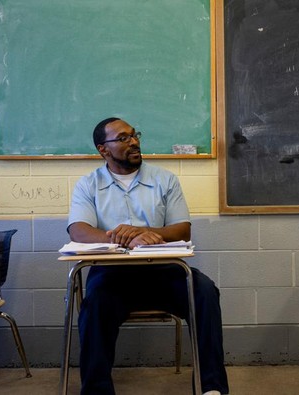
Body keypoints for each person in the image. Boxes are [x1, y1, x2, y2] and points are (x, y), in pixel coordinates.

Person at [67, 117, 229, 395]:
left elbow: (182, 229)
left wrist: (145, 232)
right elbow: (79, 230)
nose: (133, 142)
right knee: (93, 306)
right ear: (103, 150)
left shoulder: (165, 179)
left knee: (204, 291)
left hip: (163, 272)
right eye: (122, 138)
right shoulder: (88, 185)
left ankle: (210, 388)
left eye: (134, 135)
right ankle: (97, 391)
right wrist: (126, 237)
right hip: (112, 276)